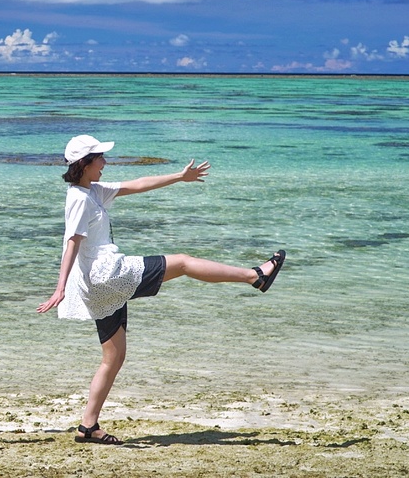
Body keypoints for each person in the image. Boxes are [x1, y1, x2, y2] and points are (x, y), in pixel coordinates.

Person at [37, 135, 285, 445]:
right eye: (100, 157)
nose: (105, 162)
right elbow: (71, 242)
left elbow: (139, 184)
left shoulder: (93, 190)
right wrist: (60, 288)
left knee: (114, 357)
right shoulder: (79, 198)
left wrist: (180, 177)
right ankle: (255, 276)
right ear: (85, 164)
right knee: (182, 263)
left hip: (99, 284)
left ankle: (88, 427)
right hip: (108, 275)